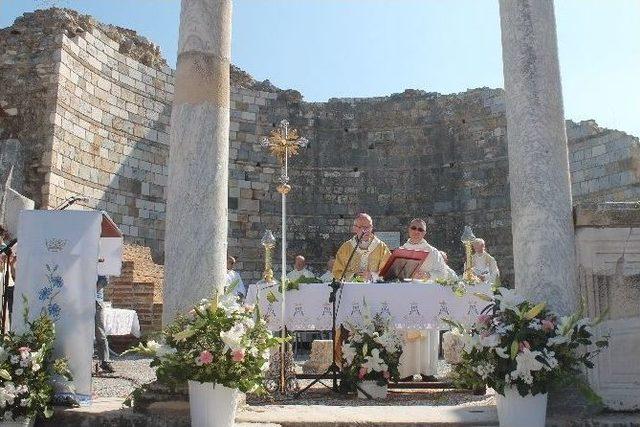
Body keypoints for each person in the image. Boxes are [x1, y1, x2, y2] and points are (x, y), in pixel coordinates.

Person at [397, 218, 446, 380]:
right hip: (406, 299)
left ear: (425, 232)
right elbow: (393, 274)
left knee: (428, 335)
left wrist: (428, 275)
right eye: (414, 228)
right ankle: (406, 372)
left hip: (427, 299)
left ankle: (427, 371)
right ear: (408, 229)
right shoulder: (401, 251)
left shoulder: (433, 252)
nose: (417, 231)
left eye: (420, 229)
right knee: (406, 336)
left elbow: (443, 273)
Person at [332, 213, 391, 282]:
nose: (365, 230)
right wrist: (354, 276)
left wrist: (372, 275)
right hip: (351, 289)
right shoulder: (346, 248)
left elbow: (388, 271)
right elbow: (337, 272)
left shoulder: (381, 247)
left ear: (371, 227)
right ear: (354, 228)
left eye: (368, 227)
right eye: (361, 227)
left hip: (374, 289)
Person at [95, 273, 114, 373]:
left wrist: (93, 290)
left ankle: (105, 361)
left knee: (100, 333)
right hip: (78, 302)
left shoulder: (100, 264)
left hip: (96, 302)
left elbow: (104, 280)